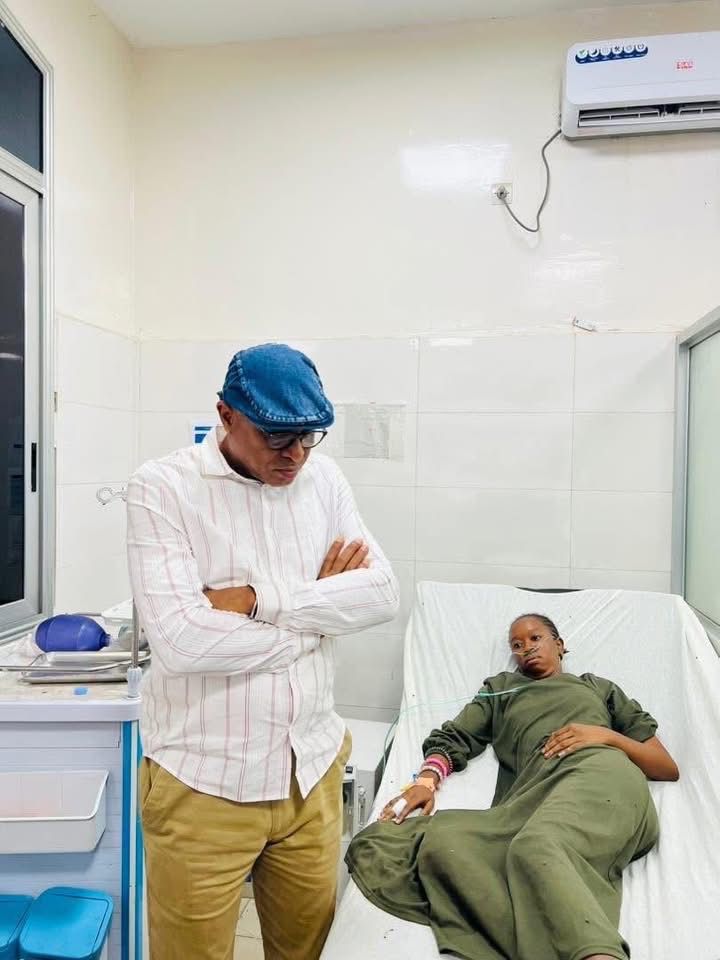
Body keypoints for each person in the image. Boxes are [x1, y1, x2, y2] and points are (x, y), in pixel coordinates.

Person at [127, 343, 399, 960]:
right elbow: (183, 643)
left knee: (306, 952)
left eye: (308, 436)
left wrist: (257, 600)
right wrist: (320, 617)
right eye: (277, 436)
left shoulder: (323, 480)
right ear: (226, 416)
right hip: (204, 785)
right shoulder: (163, 489)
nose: (295, 454)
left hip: (312, 773)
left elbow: (382, 594)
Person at [345, 613, 679, 960]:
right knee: (431, 845)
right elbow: (457, 736)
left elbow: (666, 766)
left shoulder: (597, 688)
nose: (526, 648)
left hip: (600, 772)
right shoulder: (501, 690)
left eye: (535, 638)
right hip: (535, 793)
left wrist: (604, 736)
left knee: (535, 846)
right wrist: (427, 780)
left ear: (560, 645)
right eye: (516, 645)